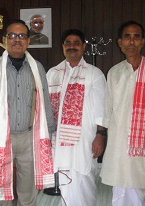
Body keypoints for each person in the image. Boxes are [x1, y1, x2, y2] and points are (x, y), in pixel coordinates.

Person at [0, 19, 55, 206]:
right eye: (12, 35)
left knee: (28, 191)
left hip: (29, 137)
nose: (17, 40)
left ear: (28, 41)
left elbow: (45, 101)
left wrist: (49, 134)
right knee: (0, 190)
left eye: (22, 36)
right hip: (0, 136)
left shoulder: (37, 68)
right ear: (4, 39)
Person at [100, 20, 145, 206]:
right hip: (118, 145)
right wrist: (100, 136)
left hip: (144, 147)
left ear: (142, 42)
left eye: (136, 37)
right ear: (119, 42)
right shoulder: (114, 72)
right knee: (119, 190)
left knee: (139, 189)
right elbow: (107, 109)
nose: (131, 42)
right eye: (127, 37)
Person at [46, 29, 107, 206]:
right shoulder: (53, 73)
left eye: (76, 43)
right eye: (68, 43)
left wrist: (100, 135)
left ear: (83, 47)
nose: (72, 46)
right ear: (63, 46)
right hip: (60, 141)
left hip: (85, 140)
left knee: (84, 181)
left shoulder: (94, 73)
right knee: (66, 184)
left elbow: (101, 108)